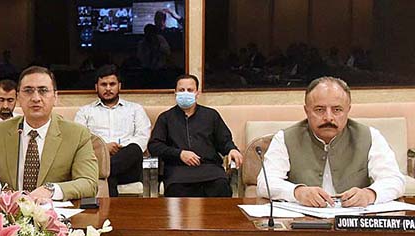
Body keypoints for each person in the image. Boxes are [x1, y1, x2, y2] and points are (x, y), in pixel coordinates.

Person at [258, 76, 404, 207]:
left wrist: (369, 194)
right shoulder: (285, 138)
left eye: (337, 110)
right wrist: (298, 192)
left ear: (348, 110)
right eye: (320, 110)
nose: (328, 117)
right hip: (302, 222)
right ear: (306, 111)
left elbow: (394, 180)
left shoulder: (370, 137)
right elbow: (265, 183)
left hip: (353, 223)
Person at [0, 66, 98, 201]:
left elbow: (88, 183)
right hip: (8, 215)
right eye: (28, 91)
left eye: (43, 91)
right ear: (18, 97)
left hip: (56, 215)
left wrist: (51, 190)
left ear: (55, 97)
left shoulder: (76, 134)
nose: (36, 98)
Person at [148, 74, 243, 197]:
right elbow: (155, 146)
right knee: (176, 189)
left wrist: (232, 149)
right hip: (178, 171)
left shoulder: (211, 115)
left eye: (190, 90)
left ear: (197, 93)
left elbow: (224, 140)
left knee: (220, 185)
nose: (185, 93)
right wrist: (179, 154)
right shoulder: (165, 118)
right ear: (175, 92)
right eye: (182, 90)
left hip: (210, 169)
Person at [75, 65, 151, 196]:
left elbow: (143, 138)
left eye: (112, 84)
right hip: (98, 159)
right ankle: (113, 213)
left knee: (134, 149)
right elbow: (79, 140)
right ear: (96, 87)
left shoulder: (135, 109)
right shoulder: (85, 112)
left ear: (119, 86)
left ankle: (104, 170)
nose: (108, 88)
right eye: (103, 84)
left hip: (128, 164)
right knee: (109, 176)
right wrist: (104, 148)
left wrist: (120, 149)